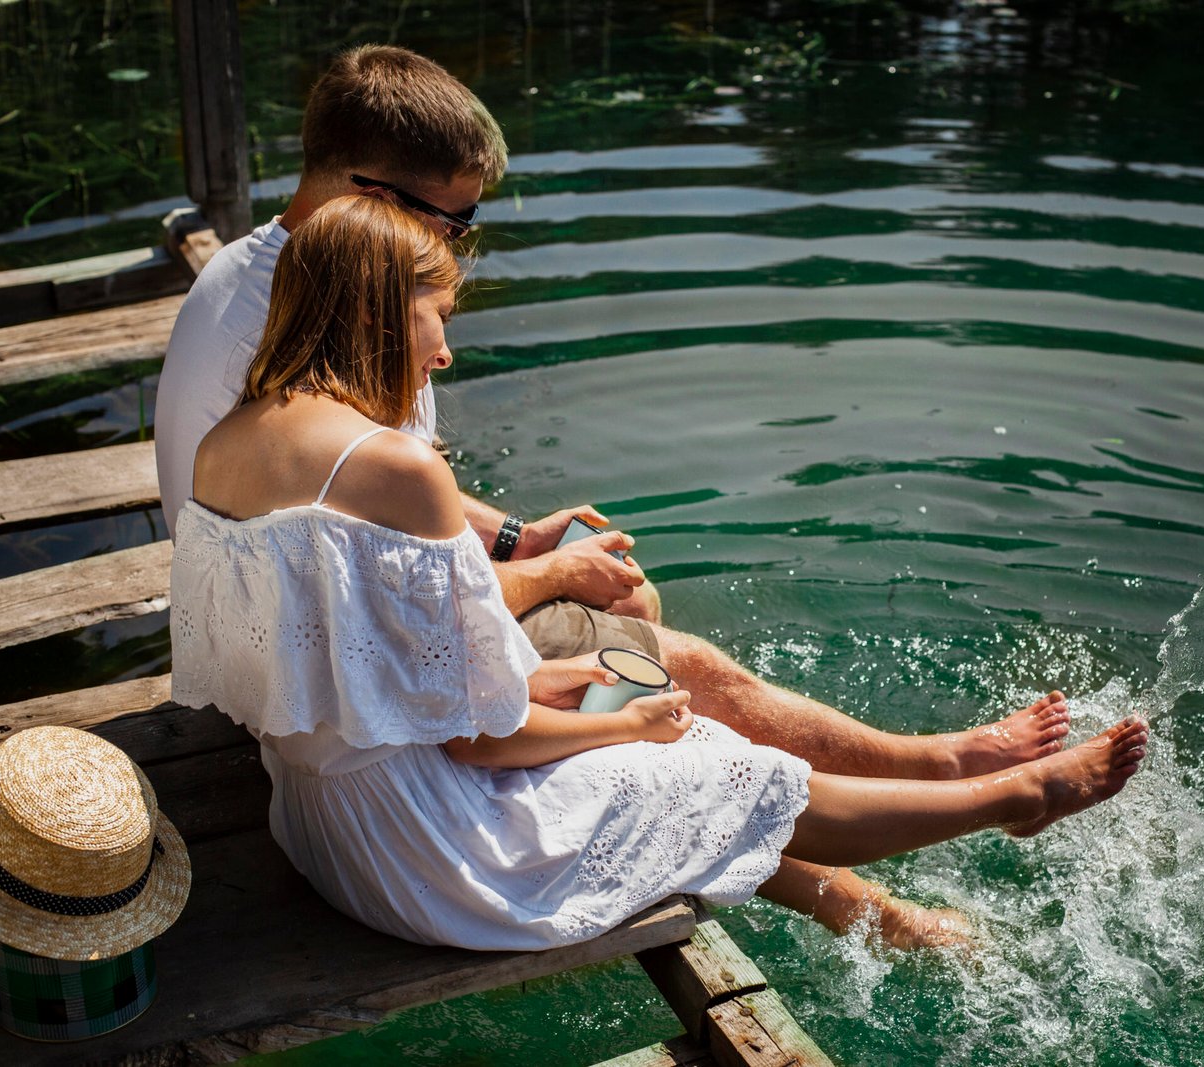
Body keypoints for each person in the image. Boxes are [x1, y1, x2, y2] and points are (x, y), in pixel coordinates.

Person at [153, 44, 1081, 946]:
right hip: (430, 851)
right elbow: (473, 734)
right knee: (709, 745)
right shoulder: (387, 455)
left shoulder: (243, 426)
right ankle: (1000, 798)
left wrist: (535, 610)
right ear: (370, 246)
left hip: (321, 813)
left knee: (652, 705)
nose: (445, 351)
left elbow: (339, 624)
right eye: (438, 299)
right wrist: (601, 689)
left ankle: (906, 852)